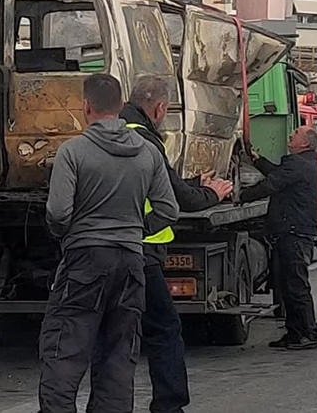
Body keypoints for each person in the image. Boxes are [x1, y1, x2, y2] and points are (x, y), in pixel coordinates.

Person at [38, 74, 179, 413]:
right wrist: (135, 229)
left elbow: (58, 212)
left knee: (66, 347)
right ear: (121, 106)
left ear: (86, 106)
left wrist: (67, 233)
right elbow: (168, 210)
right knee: (119, 351)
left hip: (85, 260)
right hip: (131, 262)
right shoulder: (148, 152)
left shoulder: (73, 152)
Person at [118, 75, 233, 413]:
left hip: (103, 248)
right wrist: (211, 193)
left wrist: (193, 182)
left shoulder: (114, 132)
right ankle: (169, 405)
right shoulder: (146, 141)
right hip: (144, 252)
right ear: (159, 109)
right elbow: (175, 200)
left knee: (111, 331)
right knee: (164, 329)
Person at [238, 125, 317, 351]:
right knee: (287, 285)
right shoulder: (306, 163)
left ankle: (308, 334)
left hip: (293, 233)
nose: (291, 135)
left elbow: (272, 184)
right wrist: (257, 160)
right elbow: (277, 174)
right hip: (294, 231)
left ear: (304, 143)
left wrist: (241, 196)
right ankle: (295, 333)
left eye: (296, 133)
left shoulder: (297, 164)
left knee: (296, 286)